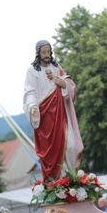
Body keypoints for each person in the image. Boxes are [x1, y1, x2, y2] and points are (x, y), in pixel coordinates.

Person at [23, 40, 84, 180]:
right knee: (52, 152)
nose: (46, 55)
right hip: (46, 118)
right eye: (43, 52)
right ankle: (58, 183)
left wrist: (64, 84)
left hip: (61, 115)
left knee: (71, 146)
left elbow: (70, 86)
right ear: (38, 53)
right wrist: (33, 106)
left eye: (48, 51)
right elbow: (30, 92)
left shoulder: (57, 68)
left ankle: (71, 178)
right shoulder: (32, 71)